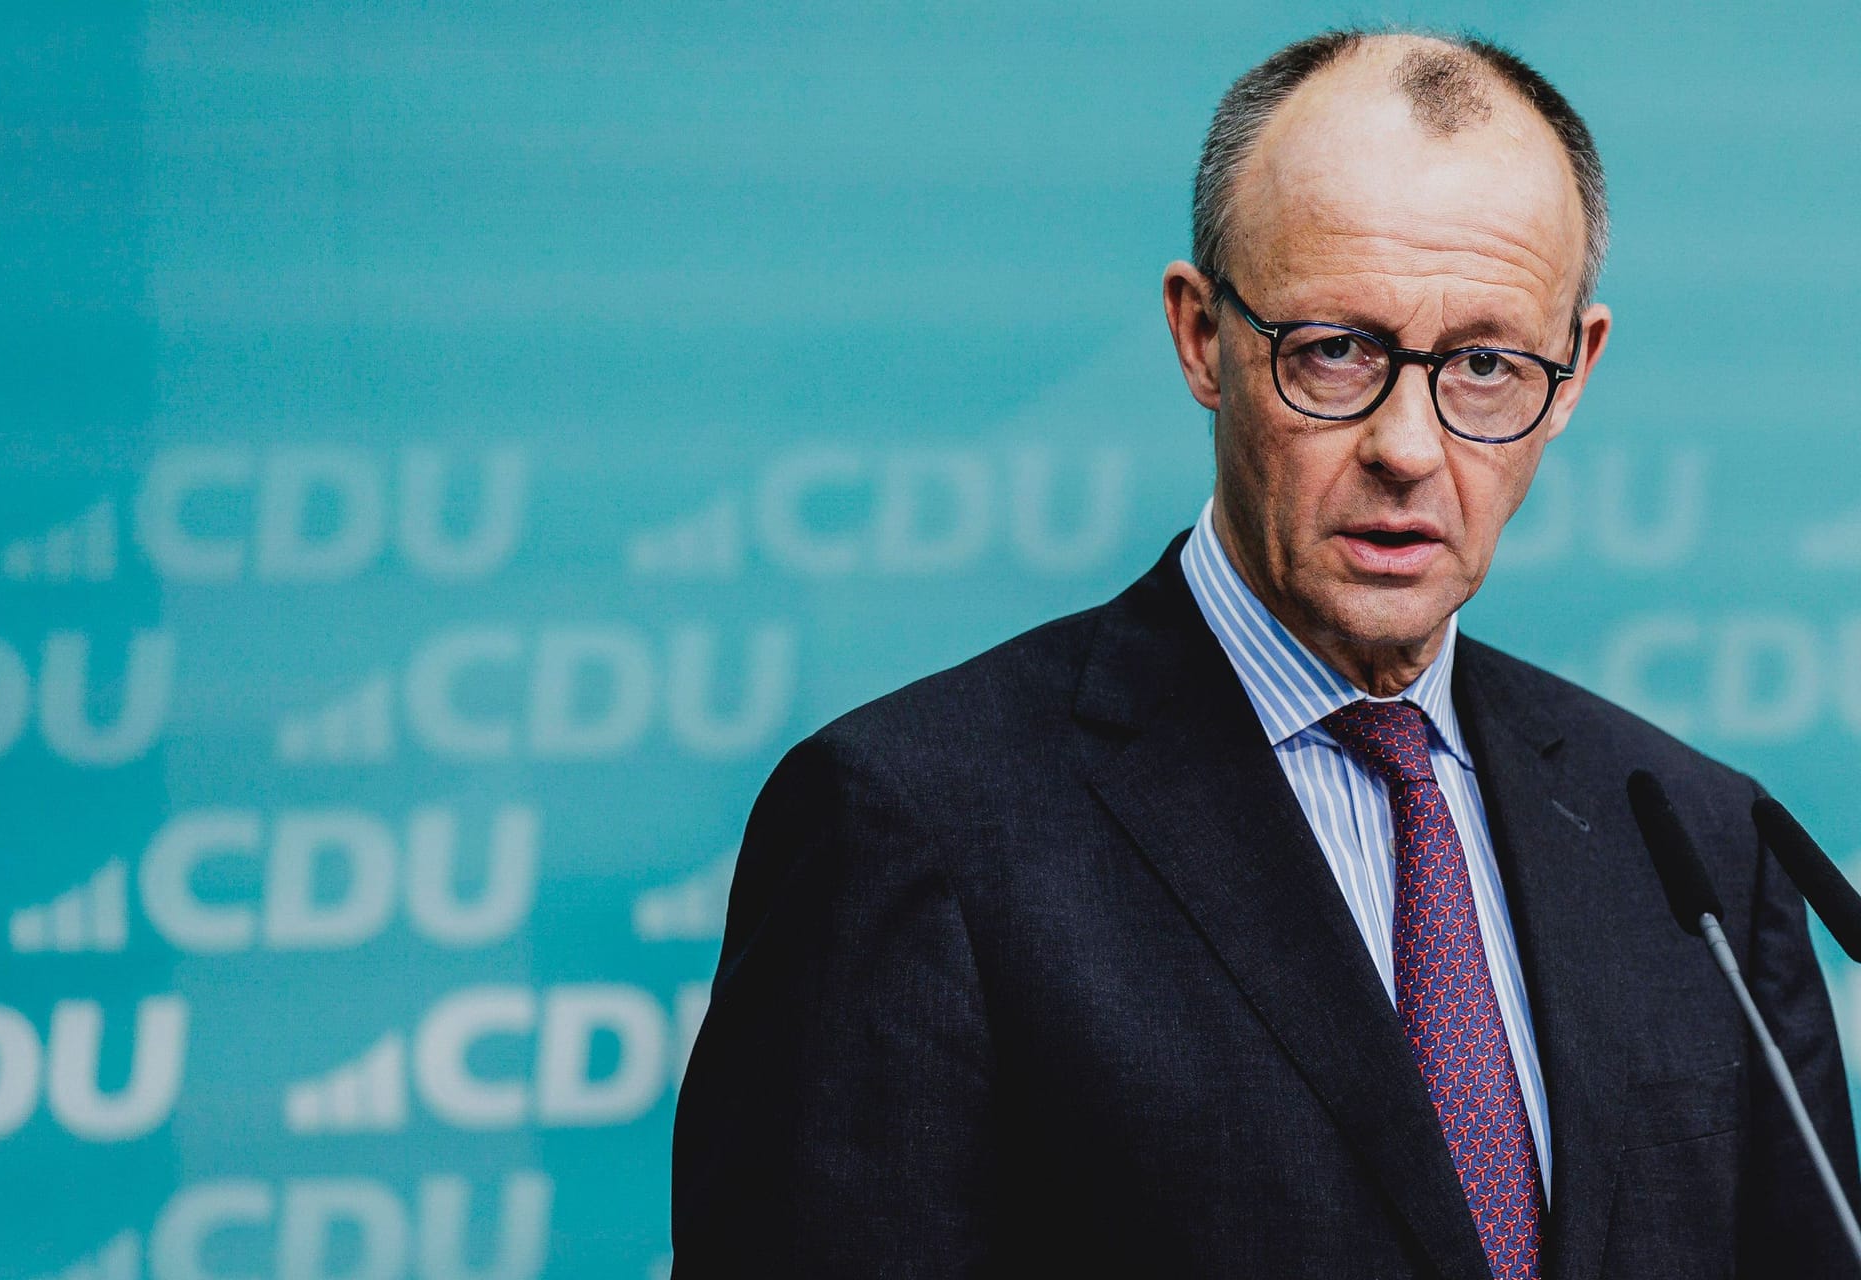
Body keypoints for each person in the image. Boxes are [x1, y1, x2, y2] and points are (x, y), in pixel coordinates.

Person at [671, 28, 1858, 1279]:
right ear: (1200, 336)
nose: (1409, 443)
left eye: (1486, 364)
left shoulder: (1700, 844)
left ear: (1573, 377)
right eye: (1337, 349)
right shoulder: (914, 826)